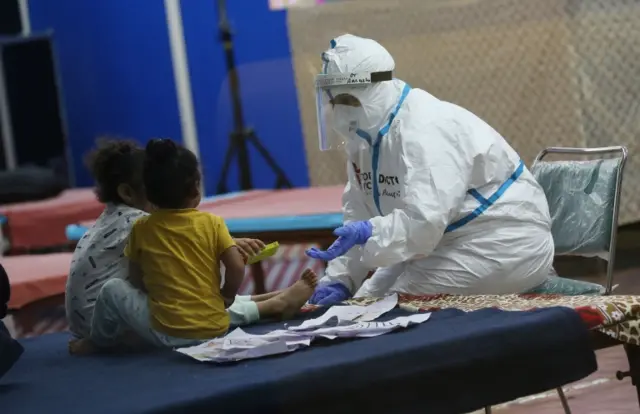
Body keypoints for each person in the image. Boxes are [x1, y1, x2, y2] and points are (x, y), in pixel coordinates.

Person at [306, 34, 556, 305]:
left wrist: (370, 232)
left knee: (389, 307)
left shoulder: (426, 127)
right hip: (439, 244)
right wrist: (341, 279)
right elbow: (358, 213)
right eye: (334, 101)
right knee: (362, 302)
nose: (341, 112)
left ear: (374, 89)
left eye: (348, 100)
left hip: (502, 242)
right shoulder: (366, 137)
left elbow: (425, 222)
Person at [69, 139, 317, 354]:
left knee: (184, 290)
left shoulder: (125, 223)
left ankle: (276, 297)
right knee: (192, 294)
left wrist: (223, 244)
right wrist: (225, 247)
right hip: (105, 324)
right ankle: (272, 305)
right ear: (127, 192)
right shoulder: (136, 223)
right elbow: (191, 248)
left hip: (113, 316)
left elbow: (141, 273)